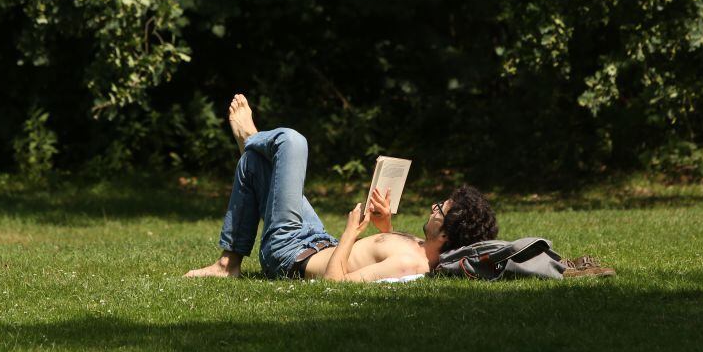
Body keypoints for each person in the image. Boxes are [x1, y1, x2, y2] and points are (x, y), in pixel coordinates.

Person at [184, 94, 499, 282]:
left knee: (292, 142)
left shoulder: (410, 263)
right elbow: (376, 251)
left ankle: (250, 137)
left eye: (440, 209)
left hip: (289, 254)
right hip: (316, 238)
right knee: (254, 165)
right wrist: (383, 223)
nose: (434, 207)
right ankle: (227, 264)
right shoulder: (420, 247)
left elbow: (336, 283)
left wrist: (351, 232)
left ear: (445, 234)